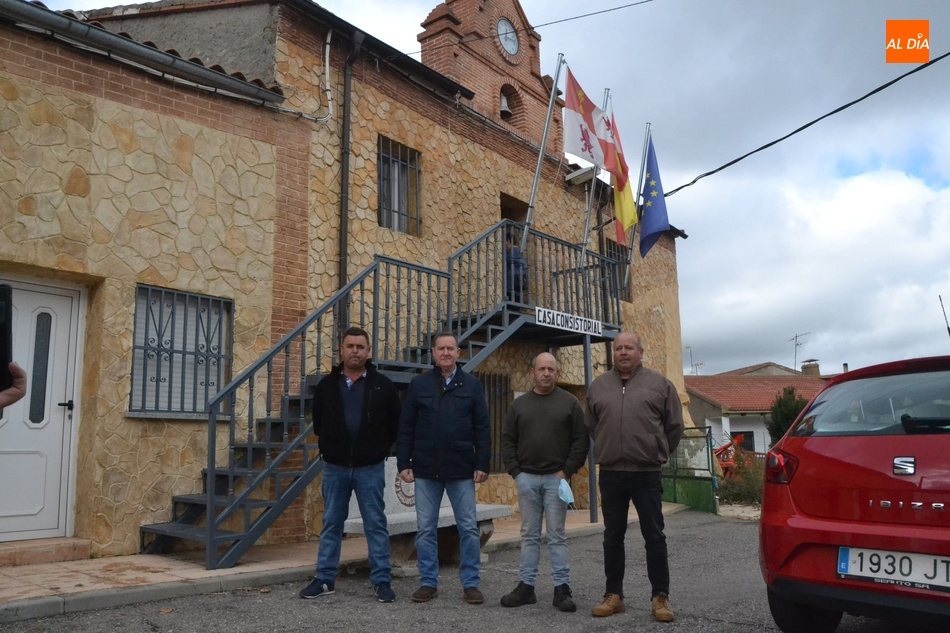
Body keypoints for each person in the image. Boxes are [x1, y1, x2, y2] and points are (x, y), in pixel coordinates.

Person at [585, 332, 684, 622]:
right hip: (612, 472)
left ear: (641, 352)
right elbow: (591, 425)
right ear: (613, 354)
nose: (624, 352)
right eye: (618, 348)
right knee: (612, 536)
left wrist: (658, 450)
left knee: (654, 536)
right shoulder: (599, 386)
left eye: (629, 348)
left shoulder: (660, 385)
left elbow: (674, 426)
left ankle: (660, 597)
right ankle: (613, 595)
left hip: (646, 473)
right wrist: (610, 445)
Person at [300, 327, 402, 603]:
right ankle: (324, 579)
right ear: (341, 350)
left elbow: (394, 425)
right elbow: (319, 425)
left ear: (368, 351)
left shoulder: (383, 386)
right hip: (335, 467)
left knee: (375, 524)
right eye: (350, 346)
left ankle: (382, 581)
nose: (355, 351)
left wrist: (375, 449)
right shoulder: (326, 386)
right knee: (332, 523)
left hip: (370, 468)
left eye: (360, 346)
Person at [397, 331, 491, 605]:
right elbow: (406, 427)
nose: (446, 353)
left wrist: (482, 463)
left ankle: (471, 584)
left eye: (451, 348)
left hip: (461, 469)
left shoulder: (472, 386)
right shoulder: (418, 385)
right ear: (434, 353)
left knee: (468, 529)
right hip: (426, 469)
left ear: (458, 353)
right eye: (441, 348)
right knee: (425, 529)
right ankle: (428, 583)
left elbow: (482, 428)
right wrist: (404, 463)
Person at [499, 352, 589, 612]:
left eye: (551, 369)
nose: (546, 373)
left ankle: (562, 589)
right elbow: (507, 440)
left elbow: (580, 441)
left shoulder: (570, 403)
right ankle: (526, 588)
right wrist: (517, 473)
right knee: (529, 535)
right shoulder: (519, 405)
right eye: (542, 369)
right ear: (533, 373)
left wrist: (566, 472)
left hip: (556, 481)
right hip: (526, 479)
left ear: (557, 374)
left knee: (557, 536)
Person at [505, 236, 527, 303]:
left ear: (508, 241)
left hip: (513, 288)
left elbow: (503, 258)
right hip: (515, 289)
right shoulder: (517, 251)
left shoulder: (515, 251)